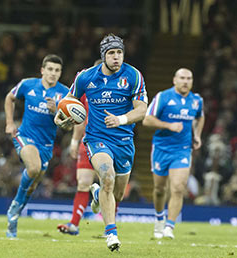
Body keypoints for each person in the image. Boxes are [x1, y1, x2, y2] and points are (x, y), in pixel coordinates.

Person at [54, 33, 148, 251]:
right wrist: (61, 118)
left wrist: (121, 120)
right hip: (97, 139)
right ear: (103, 55)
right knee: (107, 177)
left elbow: (142, 110)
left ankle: (96, 195)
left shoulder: (133, 75)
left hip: (124, 141)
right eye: (112, 53)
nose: (116, 57)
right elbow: (68, 101)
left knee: (117, 194)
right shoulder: (86, 77)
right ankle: (111, 234)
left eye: (119, 53)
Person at [4, 54, 70, 238]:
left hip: (46, 145)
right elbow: (10, 98)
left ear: (60, 73)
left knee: (32, 186)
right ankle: (14, 208)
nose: (53, 73)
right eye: (50, 69)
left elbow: (69, 125)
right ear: (42, 70)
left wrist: (57, 111)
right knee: (33, 168)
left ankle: (15, 214)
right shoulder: (28, 85)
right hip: (24, 137)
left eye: (57, 70)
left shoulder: (65, 94)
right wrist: (9, 123)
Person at [142, 68, 205, 239]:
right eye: (182, 78)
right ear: (174, 80)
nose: (185, 81)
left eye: (189, 78)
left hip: (182, 149)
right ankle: (159, 218)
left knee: (178, 188)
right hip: (161, 148)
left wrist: (197, 135)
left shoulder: (196, 100)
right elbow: (147, 119)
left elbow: (200, 117)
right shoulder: (163, 97)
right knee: (160, 189)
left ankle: (169, 226)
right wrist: (168, 125)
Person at [57, 60, 102, 236]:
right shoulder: (86, 88)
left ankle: (110, 229)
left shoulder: (120, 91)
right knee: (83, 183)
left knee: (110, 184)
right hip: (88, 140)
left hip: (112, 142)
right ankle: (74, 225)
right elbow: (79, 116)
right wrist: (75, 141)